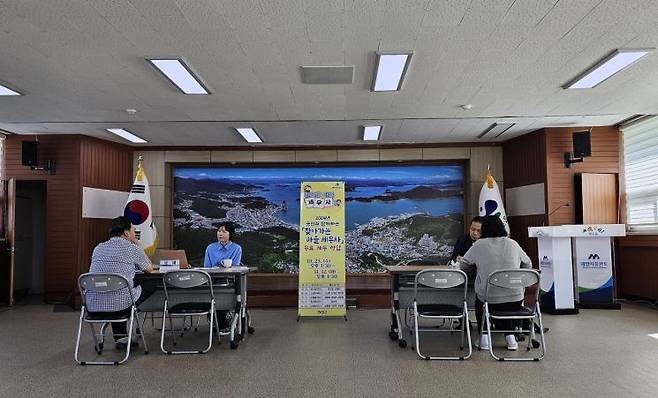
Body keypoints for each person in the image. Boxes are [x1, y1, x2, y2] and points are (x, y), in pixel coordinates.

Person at [459, 215, 532, 351]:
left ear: (484, 229)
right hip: (515, 297)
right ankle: (510, 338)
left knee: (483, 302)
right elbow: (528, 264)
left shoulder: (479, 245)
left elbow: (463, 266)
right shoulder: (513, 243)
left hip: (489, 298)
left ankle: (484, 338)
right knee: (505, 304)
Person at [86, 216, 156, 349]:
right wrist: (139, 247)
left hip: (93, 305)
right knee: (149, 284)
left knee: (119, 289)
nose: (135, 232)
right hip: (120, 306)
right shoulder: (132, 248)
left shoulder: (98, 248)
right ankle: (132, 315)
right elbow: (149, 268)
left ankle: (121, 338)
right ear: (126, 233)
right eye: (133, 230)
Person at [203, 222, 242, 329]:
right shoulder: (210, 248)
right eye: (219, 231)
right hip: (212, 280)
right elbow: (206, 267)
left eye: (224, 231)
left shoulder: (236, 248)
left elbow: (235, 267)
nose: (220, 233)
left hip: (228, 280)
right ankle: (217, 318)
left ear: (230, 234)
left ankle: (220, 318)